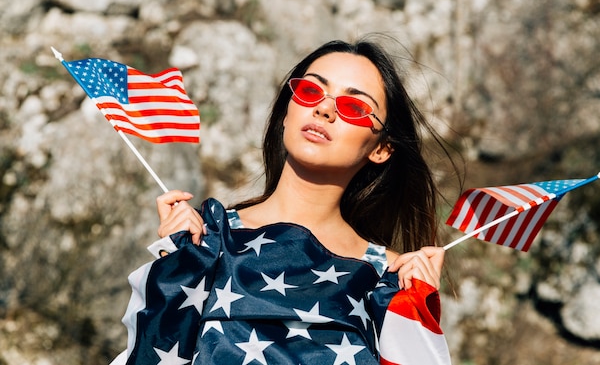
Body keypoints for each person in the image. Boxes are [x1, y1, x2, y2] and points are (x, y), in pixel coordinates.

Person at [112, 38, 455, 365]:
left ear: (381, 148)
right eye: (310, 91)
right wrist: (174, 265)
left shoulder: (389, 279)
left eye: (354, 106)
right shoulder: (209, 239)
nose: (324, 109)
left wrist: (417, 312)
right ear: (287, 111)